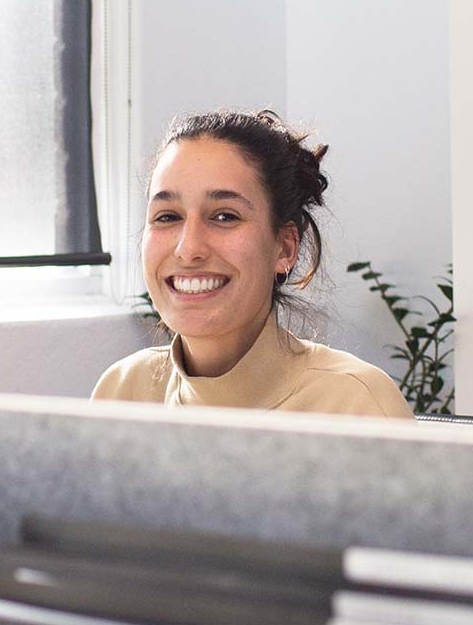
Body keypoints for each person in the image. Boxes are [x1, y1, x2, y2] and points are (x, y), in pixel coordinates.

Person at [92, 110, 413, 419]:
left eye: (224, 216)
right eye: (168, 217)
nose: (188, 249)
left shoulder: (356, 405)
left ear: (285, 247)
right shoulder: (122, 392)